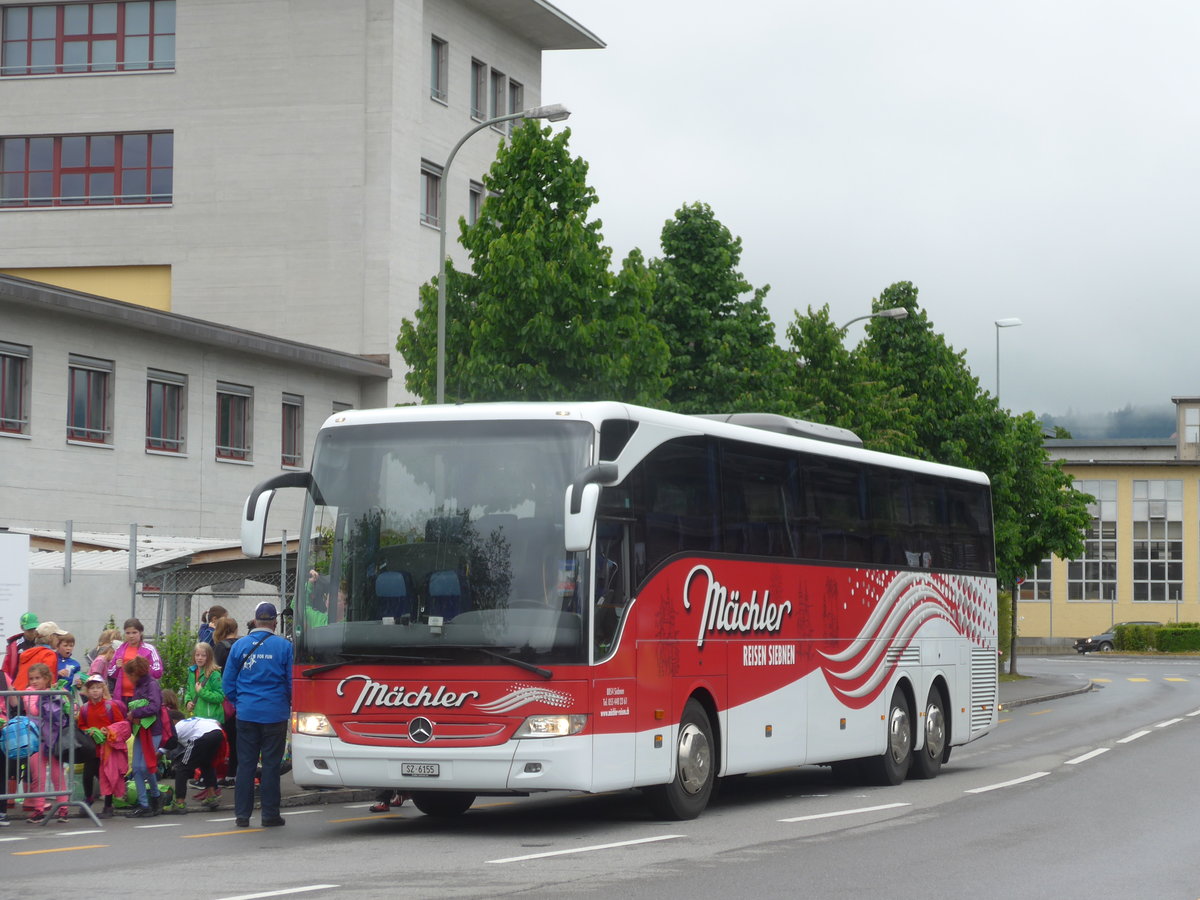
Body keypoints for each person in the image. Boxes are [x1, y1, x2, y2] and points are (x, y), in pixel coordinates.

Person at [222, 602, 292, 828]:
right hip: (275, 713)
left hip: (247, 714)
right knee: (271, 766)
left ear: (254, 620)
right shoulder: (284, 646)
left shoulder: (240, 645)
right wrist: (286, 703)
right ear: (275, 621)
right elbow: (292, 684)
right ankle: (270, 815)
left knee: (246, 765)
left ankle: (242, 815)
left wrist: (240, 702)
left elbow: (228, 684)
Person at [21, 662, 71, 824]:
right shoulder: (28, 692)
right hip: (36, 740)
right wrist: (49, 697)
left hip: (54, 738)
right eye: (31, 678)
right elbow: (34, 710)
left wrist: (60, 695)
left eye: (38, 678)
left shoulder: (55, 691)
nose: (34, 681)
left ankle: (63, 809)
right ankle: (39, 809)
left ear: (47, 678)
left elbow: (69, 707)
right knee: (38, 777)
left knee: (58, 775)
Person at [76, 673, 127, 818]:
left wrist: (108, 731)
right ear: (87, 691)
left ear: (103, 689)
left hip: (108, 747)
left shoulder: (111, 706)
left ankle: (108, 806)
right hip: (92, 748)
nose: (95, 691)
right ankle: (88, 799)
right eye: (92, 688)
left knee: (107, 776)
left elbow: (120, 724)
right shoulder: (84, 708)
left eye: (98, 688)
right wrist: (89, 731)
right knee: (87, 775)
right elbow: (81, 725)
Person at [122, 655, 165, 818]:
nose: (128, 678)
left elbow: (154, 706)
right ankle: (147, 802)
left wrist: (135, 713)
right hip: (142, 730)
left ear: (136, 673)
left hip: (152, 730)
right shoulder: (142, 684)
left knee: (145, 766)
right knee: (138, 767)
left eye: (130, 675)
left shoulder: (151, 685)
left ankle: (153, 797)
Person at [162, 715, 225, 813]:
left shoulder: (177, 727)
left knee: (182, 768)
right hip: (217, 733)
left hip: (200, 737)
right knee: (207, 764)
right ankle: (212, 796)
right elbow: (217, 722)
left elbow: (164, 747)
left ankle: (179, 803)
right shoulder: (194, 720)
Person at [107, 618, 163, 705]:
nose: (131, 636)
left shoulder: (149, 649)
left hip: (142, 695)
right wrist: (117, 667)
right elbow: (110, 673)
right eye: (128, 633)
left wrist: (143, 666)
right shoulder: (120, 649)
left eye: (134, 632)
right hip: (121, 695)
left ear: (140, 633)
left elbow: (158, 672)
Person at [13, 621, 63, 690]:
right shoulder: (49, 654)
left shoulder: (27, 652)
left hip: (17, 693)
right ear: (51, 637)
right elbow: (48, 680)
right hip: (34, 695)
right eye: (57, 637)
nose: (59, 640)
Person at [184, 641, 225, 722]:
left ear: (209, 657)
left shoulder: (214, 674)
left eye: (203, 655)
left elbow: (220, 697)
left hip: (211, 718)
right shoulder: (192, 672)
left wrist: (201, 692)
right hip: (196, 716)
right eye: (197, 655)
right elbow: (189, 690)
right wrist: (187, 702)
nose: (199, 658)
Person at [3, 612, 39, 682]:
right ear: (22, 628)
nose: (32, 632)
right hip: (19, 685)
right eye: (29, 629)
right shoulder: (15, 646)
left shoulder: (42, 643)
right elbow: (6, 669)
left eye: (34, 628)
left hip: (37, 685)